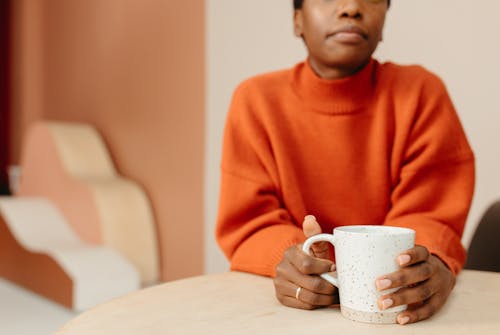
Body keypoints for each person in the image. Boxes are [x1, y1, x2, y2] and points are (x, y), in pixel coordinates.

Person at [216, 0, 475, 325]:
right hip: (292, 318)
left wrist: (424, 259)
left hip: (394, 313)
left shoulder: (421, 93)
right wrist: (291, 258)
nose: (351, 7)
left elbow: (432, 213)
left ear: (384, 19)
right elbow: (248, 223)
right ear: (297, 20)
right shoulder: (256, 101)